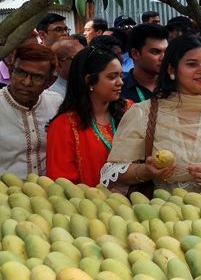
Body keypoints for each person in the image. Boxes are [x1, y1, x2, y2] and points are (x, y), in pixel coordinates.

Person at [102, 34, 201, 196]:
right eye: (192, 64)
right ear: (171, 69)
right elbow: (114, 171)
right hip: (164, 218)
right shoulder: (144, 113)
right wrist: (147, 171)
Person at [47, 46, 131, 186]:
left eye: (120, 76)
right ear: (89, 80)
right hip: (90, 204)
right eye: (112, 77)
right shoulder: (65, 125)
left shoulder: (129, 110)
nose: (120, 82)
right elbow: (62, 183)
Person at [0, 43, 63, 179]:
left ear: (50, 82)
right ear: (11, 70)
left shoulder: (56, 103)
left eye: (37, 77)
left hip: (50, 193)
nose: (27, 82)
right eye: (21, 73)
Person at [121, 24, 169, 103]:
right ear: (135, 54)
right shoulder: (119, 92)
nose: (163, 58)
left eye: (166, 52)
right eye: (156, 52)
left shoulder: (177, 87)